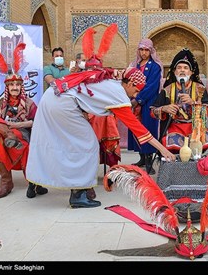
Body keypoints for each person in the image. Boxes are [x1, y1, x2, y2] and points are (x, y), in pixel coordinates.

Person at [26, 25, 176, 209]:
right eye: (135, 89)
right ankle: (78, 194)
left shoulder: (109, 82)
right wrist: (163, 150)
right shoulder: (118, 93)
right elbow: (139, 131)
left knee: (50, 141)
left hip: (51, 98)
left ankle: (36, 182)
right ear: (128, 83)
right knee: (87, 144)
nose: (136, 94)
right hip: (61, 104)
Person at [0, 37, 48, 199]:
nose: (14, 87)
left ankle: (6, 181)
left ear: (21, 87)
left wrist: (13, 126)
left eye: (17, 85)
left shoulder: (29, 103)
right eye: (11, 85)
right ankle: (7, 181)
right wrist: (5, 129)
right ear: (7, 87)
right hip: (6, 136)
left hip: (22, 134)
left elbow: (36, 122)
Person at [150, 48, 208, 154]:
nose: (182, 70)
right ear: (174, 71)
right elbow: (152, 111)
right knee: (173, 145)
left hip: (195, 127)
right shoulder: (167, 90)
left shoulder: (200, 89)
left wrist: (193, 103)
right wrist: (164, 108)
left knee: (204, 146)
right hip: (175, 127)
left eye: (186, 68)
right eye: (179, 68)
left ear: (191, 72)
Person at [127, 38, 163, 174]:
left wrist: (139, 100)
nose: (143, 53)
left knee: (147, 130)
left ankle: (149, 162)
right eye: (141, 50)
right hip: (134, 102)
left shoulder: (155, 66)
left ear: (151, 51)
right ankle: (141, 158)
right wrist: (132, 98)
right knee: (136, 130)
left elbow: (152, 86)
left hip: (148, 103)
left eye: (146, 50)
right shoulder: (134, 65)